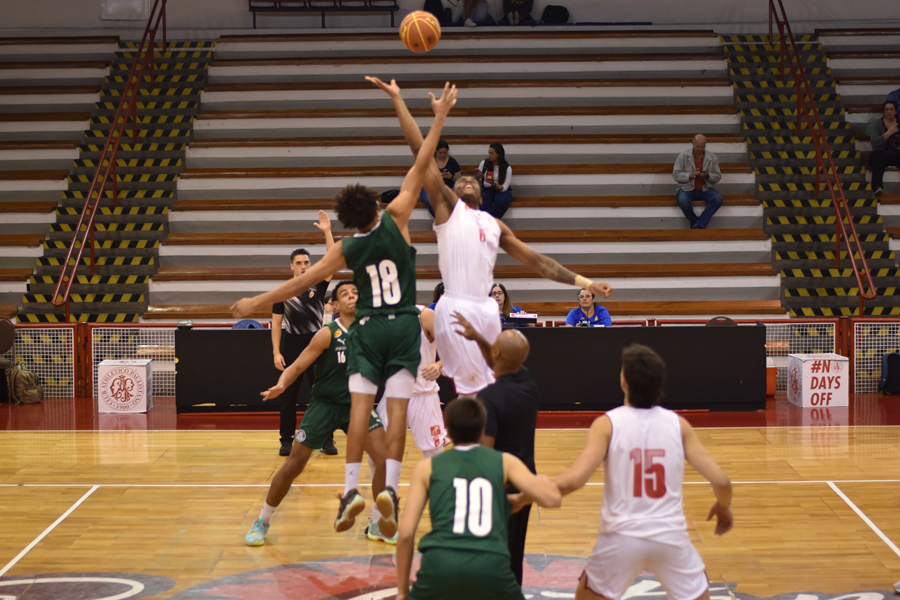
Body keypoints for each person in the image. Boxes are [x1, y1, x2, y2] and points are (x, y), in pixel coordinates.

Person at [233, 81, 458, 537]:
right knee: (393, 421)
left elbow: (302, 281)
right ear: (376, 208)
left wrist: (254, 302)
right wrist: (430, 115)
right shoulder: (396, 218)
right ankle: (376, 498)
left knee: (363, 409)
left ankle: (355, 494)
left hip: (372, 331)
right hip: (403, 325)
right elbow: (421, 163)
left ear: (346, 222)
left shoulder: (345, 252)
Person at [367, 76, 612, 397]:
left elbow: (538, 261)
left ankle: (476, 440)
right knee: (472, 394)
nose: (467, 181)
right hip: (454, 305)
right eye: (461, 180)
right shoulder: (447, 209)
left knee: (486, 391)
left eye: (472, 180)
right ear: (451, 191)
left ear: (481, 194)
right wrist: (399, 100)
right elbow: (420, 150)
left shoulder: (494, 225)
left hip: (485, 309)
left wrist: (584, 283)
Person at [541, 343, 733, 600]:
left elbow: (575, 480)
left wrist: (529, 492)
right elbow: (721, 480)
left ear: (623, 382)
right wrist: (723, 507)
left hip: (620, 538)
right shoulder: (679, 425)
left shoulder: (607, 424)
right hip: (670, 537)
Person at [244, 281, 391, 546]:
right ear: (333, 305)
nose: (351, 297)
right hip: (323, 406)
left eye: (355, 293)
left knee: (384, 460)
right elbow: (298, 365)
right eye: (344, 294)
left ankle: (377, 523)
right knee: (293, 465)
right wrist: (281, 384)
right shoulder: (327, 334)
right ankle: (262, 521)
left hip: (357, 406)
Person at [395, 396, 561, 600]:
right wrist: (525, 495)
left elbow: (404, 534)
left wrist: (402, 592)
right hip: (490, 565)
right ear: (483, 430)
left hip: (440, 565)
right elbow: (552, 499)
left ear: (448, 431)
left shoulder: (426, 467)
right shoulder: (505, 462)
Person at [453, 313, 539, 586]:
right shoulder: (528, 384)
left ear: (497, 352)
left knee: (492, 554)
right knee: (514, 554)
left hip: (499, 488)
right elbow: (501, 362)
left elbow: (485, 452)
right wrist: (478, 337)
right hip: (527, 482)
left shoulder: (489, 399)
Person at [271, 211, 336, 457]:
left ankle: (326, 440)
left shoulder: (319, 284)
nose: (303, 266)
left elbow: (332, 258)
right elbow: (276, 325)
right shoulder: (282, 291)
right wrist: (276, 352)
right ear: (291, 266)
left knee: (323, 396)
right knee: (288, 397)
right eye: (298, 262)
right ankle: (286, 441)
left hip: (318, 347)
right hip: (291, 347)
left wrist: (327, 231)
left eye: (306, 262)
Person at [672, 134, 723, 230]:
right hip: (687, 188)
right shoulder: (683, 156)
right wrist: (689, 175)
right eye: (698, 146)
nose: (700, 149)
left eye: (702, 146)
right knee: (683, 201)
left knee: (717, 199)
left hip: (705, 189)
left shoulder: (712, 157)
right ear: (693, 144)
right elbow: (675, 175)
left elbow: (718, 176)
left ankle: (698, 225)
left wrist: (708, 176)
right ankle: (698, 223)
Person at [420, 140, 462, 218]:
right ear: (436, 151)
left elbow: (459, 180)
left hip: (448, 188)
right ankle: (440, 220)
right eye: (440, 153)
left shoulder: (452, 162)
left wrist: (451, 177)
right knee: (429, 199)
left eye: (445, 153)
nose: (443, 155)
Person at [868, 100, 900, 196]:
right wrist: (888, 133)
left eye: (891, 109)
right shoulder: (878, 123)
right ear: (884, 112)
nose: (889, 112)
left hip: (896, 153)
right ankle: (877, 187)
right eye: (887, 109)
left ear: (895, 111)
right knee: (877, 156)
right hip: (882, 153)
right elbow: (874, 142)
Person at [478, 143, 514, 219]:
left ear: (498, 154)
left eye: (492, 153)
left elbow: (504, 187)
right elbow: (481, 183)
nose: (489, 155)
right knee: (483, 199)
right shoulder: (484, 163)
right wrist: (477, 178)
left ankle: (493, 220)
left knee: (502, 200)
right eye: (488, 152)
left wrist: (494, 184)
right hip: (487, 189)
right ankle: (485, 220)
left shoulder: (507, 168)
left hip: (501, 189)